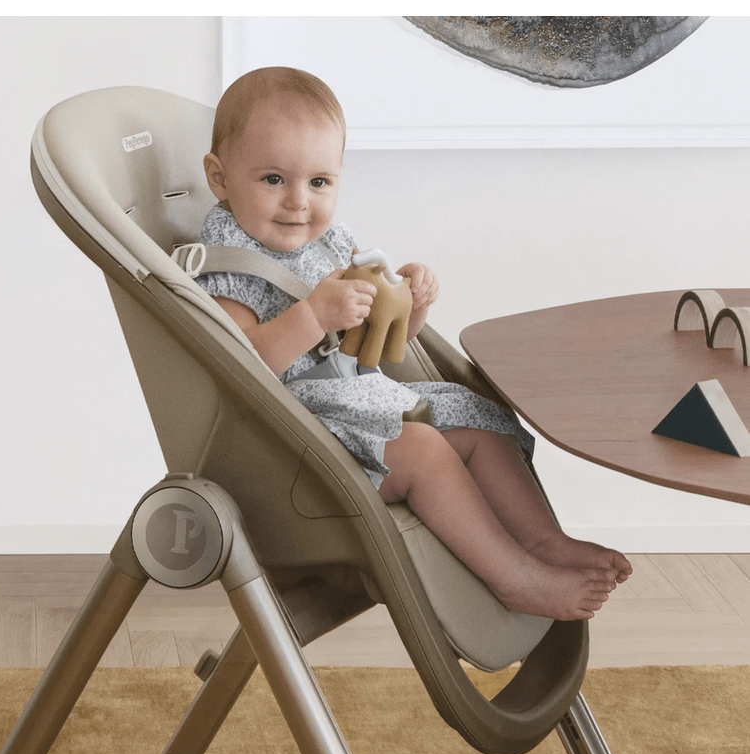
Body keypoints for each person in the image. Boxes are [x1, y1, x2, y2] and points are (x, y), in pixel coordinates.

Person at [196, 66, 632, 621]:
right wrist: (310, 317)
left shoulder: (329, 242)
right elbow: (239, 370)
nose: (298, 202)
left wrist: (411, 304)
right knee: (424, 449)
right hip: (299, 442)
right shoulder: (229, 263)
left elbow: (374, 347)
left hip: (360, 399)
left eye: (319, 182)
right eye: (273, 179)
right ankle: (514, 577)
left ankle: (543, 540)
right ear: (219, 177)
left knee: (478, 426)